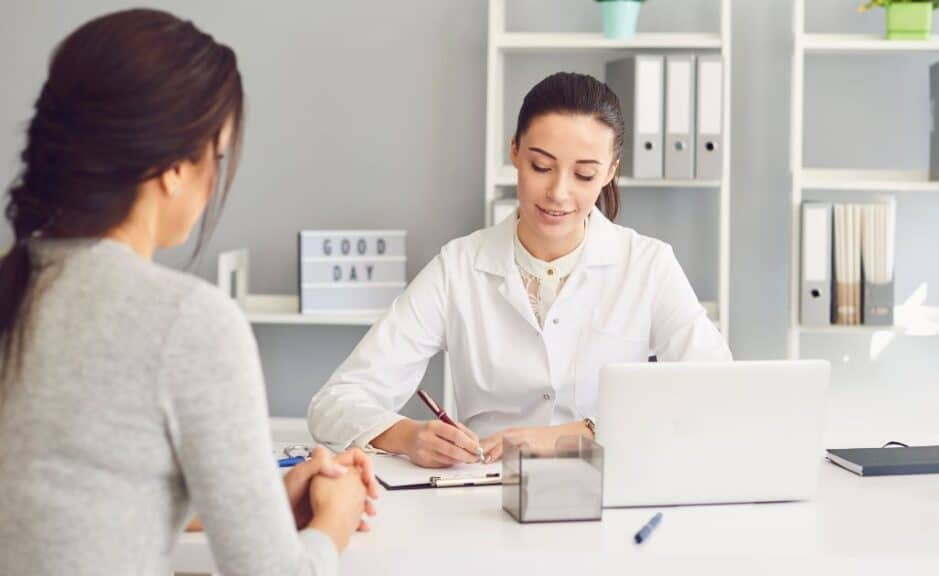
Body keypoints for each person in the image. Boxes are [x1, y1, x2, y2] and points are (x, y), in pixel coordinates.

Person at [0, 9, 376, 575]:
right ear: (175, 167)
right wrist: (335, 522)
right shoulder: (186, 322)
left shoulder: (16, 288)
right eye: (216, 156)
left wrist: (263, 499)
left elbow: (73, 510)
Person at [308, 72, 731, 468]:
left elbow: (717, 392)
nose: (559, 193)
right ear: (514, 151)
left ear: (610, 172)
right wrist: (406, 435)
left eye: (584, 174)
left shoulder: (648, 266)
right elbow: (335, 402)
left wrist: (576, 434)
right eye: (541, 167)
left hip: (608, 493)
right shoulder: (458, 267)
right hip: (485, 495)